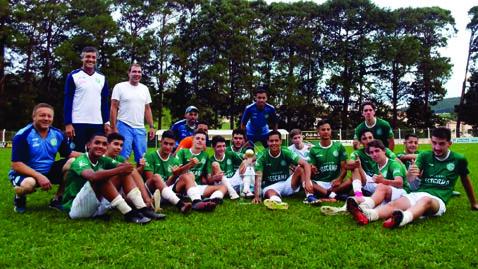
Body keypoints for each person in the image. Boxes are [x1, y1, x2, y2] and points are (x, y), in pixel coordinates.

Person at [347, 127, 478, 228]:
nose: (436, 147)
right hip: (418, 193)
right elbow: (410, 180)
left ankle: (402, 219)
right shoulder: (425, 156)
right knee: (395, 204)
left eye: (441, 144)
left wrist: (474, 203)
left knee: (426, 200)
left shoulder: (459, 159)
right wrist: (411, 173)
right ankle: (368, 215)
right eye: (434, 143)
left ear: (450, 143)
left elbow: (465, 180)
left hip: (438, 200)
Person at [62, 133, 164, 223]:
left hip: (97, 206)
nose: (100, 146)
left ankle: (142, 208)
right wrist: (120, 170)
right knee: (100, 175)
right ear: (88, 145)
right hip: (76, 209)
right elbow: (92, 177)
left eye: (104, 144)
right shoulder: (81, 160)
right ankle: (128, 213)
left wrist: (133, 167)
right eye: (97, 143)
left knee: (122, 172)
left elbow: (126, 168)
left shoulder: (103, 159)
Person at [9, 103, 81, 213]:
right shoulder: (23, 135)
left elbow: (69, 154)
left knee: (73, 162)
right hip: (27, 173)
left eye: (49, 116)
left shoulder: (57, 134)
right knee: (28, 185)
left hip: (48, 170)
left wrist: (91, 155)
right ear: (34, 117)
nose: (46, 119)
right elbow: (16, 164)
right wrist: (39, 176)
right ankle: (20, 197)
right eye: (42, 115)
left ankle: (57, 199)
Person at [347, 139, 408, 225]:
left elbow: (399, 183)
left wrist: (383, 181)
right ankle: (359, 200)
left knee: (381, 186)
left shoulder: (393, 164)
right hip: (384, 192)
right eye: (371, 153)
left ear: (384, 151)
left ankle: (363, 207)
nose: (374, 154)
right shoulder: (375, 165)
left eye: (377, 151)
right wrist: (359, 167)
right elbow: (365, 182)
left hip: (401, 193)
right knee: (355, 195)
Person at [252, 130, 315, 209]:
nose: (274, 143)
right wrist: (257, 196)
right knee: (270, 192)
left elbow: (305, 164)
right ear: (267, 142)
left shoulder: (286, 151)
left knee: (300, 168)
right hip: (271, 186)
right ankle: (277, 202)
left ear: (280, 141)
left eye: (276, 140)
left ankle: (309, 196)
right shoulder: (262, 156)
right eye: (271, 141)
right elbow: (258, 177)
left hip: (287, 183)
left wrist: (308, 181)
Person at [64, 46, 110, 152]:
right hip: (78, 122)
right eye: (87, 57)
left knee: (96, 153)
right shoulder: (73, 76)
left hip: (97, 123)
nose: (90, 60)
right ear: (82, 58)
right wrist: (68, 123)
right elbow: (68, 100)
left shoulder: (102, 78)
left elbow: (104, 102)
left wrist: (106, 122)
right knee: (77, 153)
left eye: (93, 57)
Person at [104, 133, 163, 215]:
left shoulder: (120, 158)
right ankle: (148, 201)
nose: (118, 148)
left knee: (130, 172)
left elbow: (134, 174)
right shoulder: (102, 158)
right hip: (106, 194)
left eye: (121, 145)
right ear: (107, 145)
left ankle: (146, 204)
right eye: (116, 144)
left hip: (119, 191)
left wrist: (141, 167)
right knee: (128, 170)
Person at [109, 64, 155, 164]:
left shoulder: (144, 89)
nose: (136, 74)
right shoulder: (120, 87)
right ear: (129, 73)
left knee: (142, 159)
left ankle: (141, 179)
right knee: (122, 157)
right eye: (134, 71)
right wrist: (113, 127)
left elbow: (147, 108)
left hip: (140, 128)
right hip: (124, 126)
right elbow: (113, 107)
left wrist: (151, 126)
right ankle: (119, 178)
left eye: (139, 72)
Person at [142, 130, 195, 213]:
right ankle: (181, 204)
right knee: (156, 176)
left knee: (189, 175)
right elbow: (150, 179)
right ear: (160, 142)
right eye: (165, 143)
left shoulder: (174, 161)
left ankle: (197, 201)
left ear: (174, 145)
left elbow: (168, 183)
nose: (168, 147)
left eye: (171, 144)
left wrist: (175, 175)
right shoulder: (150, 155)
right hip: (151, 191)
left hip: (166, 191)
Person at [176, 129, 227, 206]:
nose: (200, 141)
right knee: (188, 175)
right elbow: (176, 173)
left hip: (197, 187)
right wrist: (190, 164)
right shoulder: (182, 152)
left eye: (203, 139)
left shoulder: (205, 156)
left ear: (205, 142)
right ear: (192, 139)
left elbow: (208, 178)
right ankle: (196, 201)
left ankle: (212, 200)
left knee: (223, 187)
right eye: (197, 138)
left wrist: (215, 178)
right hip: (182, 185)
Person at [308, 120, 351, 202]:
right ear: (318, 132)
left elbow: (344, 168)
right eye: (323, 130)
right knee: (308, 181)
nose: (326, 132)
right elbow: (312, 170)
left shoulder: (339, 146)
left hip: (335, 183)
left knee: (352, 180)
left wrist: (339, 179)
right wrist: (312, 169)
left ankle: (327, 195)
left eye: (328, 129)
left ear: (331, 131)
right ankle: (335, 195)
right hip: (321, 183)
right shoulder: (314, 150)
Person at [347, 130, 397, 199]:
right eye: (364, 139)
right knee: (355, 168)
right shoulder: (358, 153)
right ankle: (359, 196)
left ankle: (359, 193)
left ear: (374, 139)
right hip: (366, 180)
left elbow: (396, 160)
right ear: (360, 142)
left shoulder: (383, 149)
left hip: (382, 179)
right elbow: (349, 162)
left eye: (370, 137)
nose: (368, 140)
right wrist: (356, 163)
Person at [208, 135, 255, 199]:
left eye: (224, 146)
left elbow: (250, 157)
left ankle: (246, 190)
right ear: (213, 147)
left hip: (233, 180)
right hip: (222, 184)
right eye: (219, 146)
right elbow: (209, 179)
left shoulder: (229, 153)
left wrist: (247, 162)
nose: (222, 149)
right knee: (215, 164)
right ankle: (232, 192)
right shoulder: (210, 160)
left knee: (246, 162)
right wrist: (214, 177)